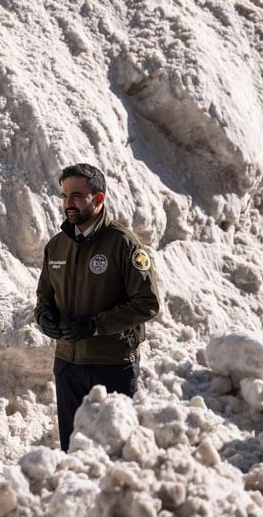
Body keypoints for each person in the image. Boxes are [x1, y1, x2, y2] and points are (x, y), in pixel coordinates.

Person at [34, 163, 161, 451]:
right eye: (65, 196)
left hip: (112, 365)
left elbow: (148, 303)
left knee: (114, 452)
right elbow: (44, 296)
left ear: (98, 198)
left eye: (77, 195)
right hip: (67, 364)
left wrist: (95, 325)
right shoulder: (56, 246)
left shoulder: (123, 244)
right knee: (72, 449)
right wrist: (44, 316)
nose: (69, 203)